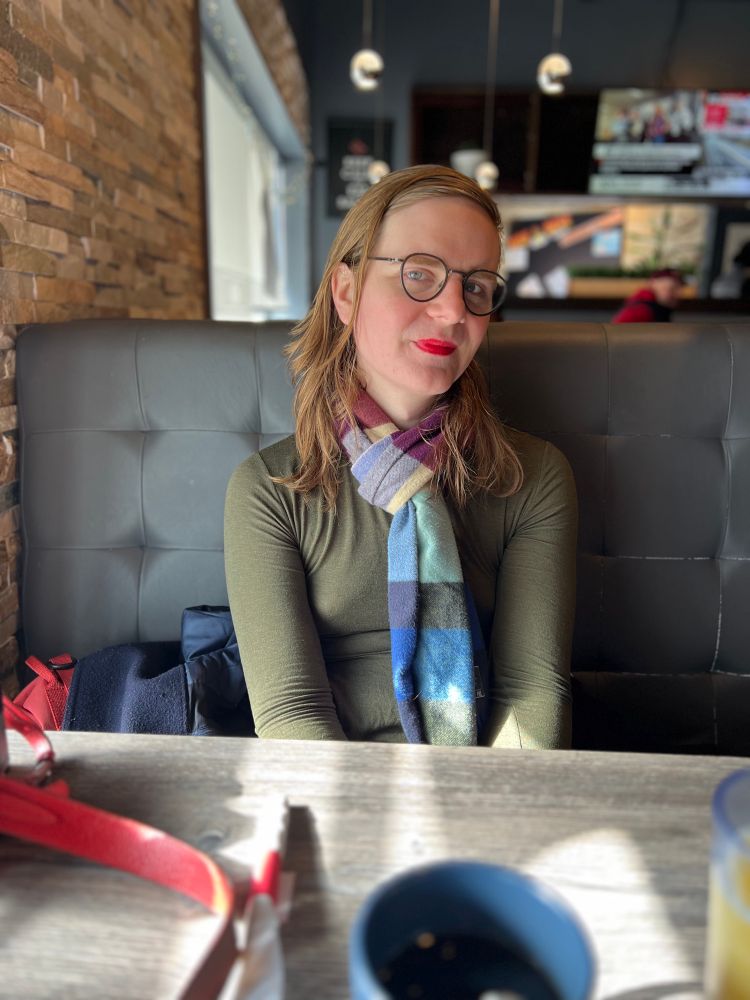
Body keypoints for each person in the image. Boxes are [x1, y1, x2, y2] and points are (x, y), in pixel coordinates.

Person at [224, 165, 578, 749]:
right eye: (419, 274)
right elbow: (291, 711)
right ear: (347, 291)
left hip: (489, 784)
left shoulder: (533, 477)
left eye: (476, 285)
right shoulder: (270, 489)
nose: (453, 311)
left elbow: (531, 692)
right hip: (335, 791)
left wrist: (492, 823)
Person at [612, 267, 685, 323]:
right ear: (653, 285)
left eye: (679, 289)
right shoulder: (639, 311)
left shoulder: (660, 309)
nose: (677, 294)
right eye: (671, 289)